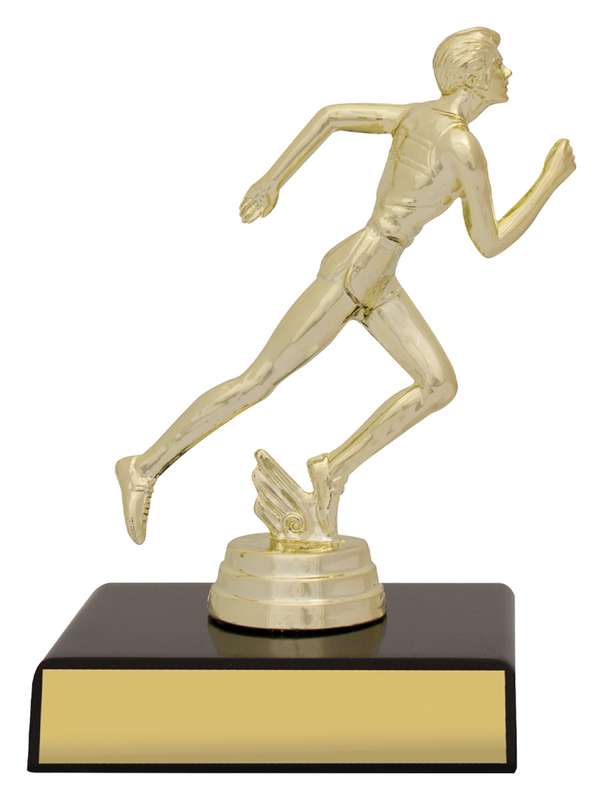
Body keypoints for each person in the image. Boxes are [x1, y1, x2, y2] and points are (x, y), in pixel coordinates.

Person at [117, 27, 575, 545]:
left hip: (378, 278)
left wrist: (273, 181)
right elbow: (489, 243)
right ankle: (144, 467)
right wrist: (549, 181)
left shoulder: (417, 116)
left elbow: (332, 116)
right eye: (496, 65)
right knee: (257, 381)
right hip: (355, 273)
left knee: (438, 385)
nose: (506, 73)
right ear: (471, 76)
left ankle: (332, 469)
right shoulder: (461, 146)